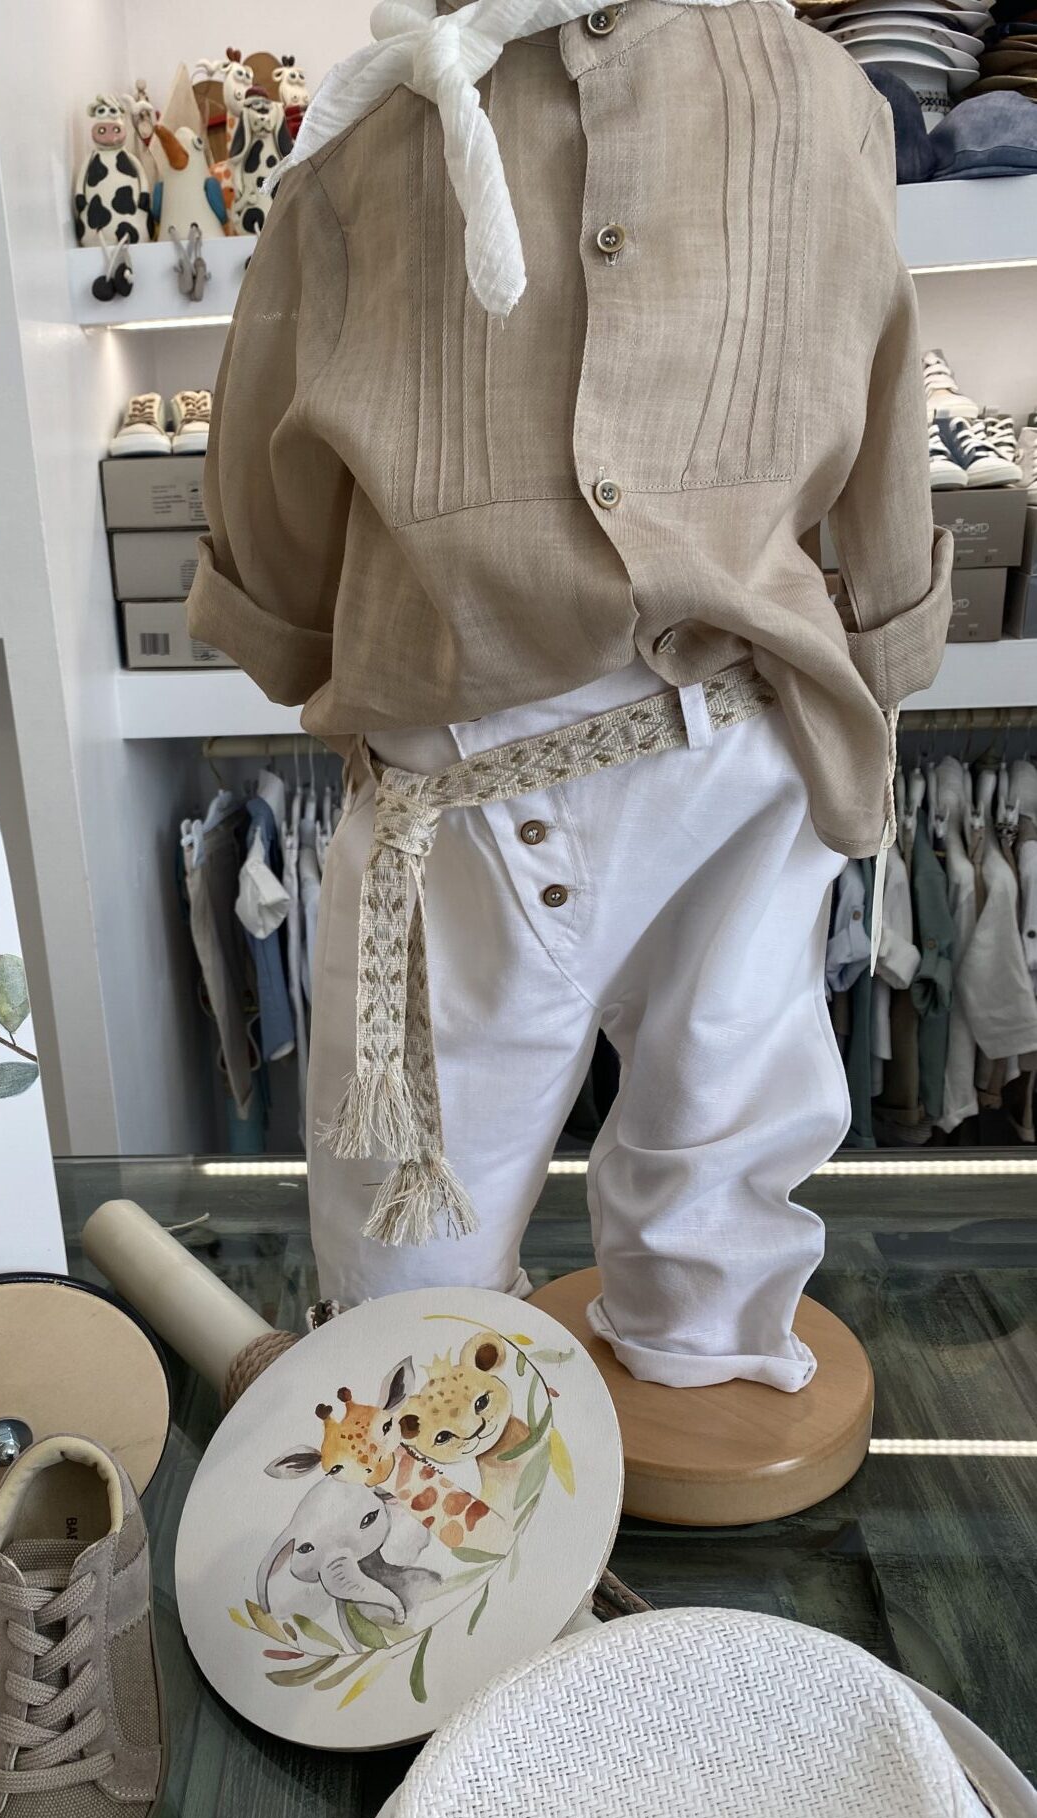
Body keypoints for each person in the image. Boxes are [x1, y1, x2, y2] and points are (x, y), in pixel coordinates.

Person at [187, 0, 951, 1392]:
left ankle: (604, 1404)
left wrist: (284, 625)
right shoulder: (396, 117)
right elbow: (889, 375)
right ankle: (671, 1367)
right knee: (706, 1129)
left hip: (534, 757)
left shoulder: (378, 123)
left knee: (439, 1224)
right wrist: (891, 624)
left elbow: (266, 445)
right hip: (643, 762)